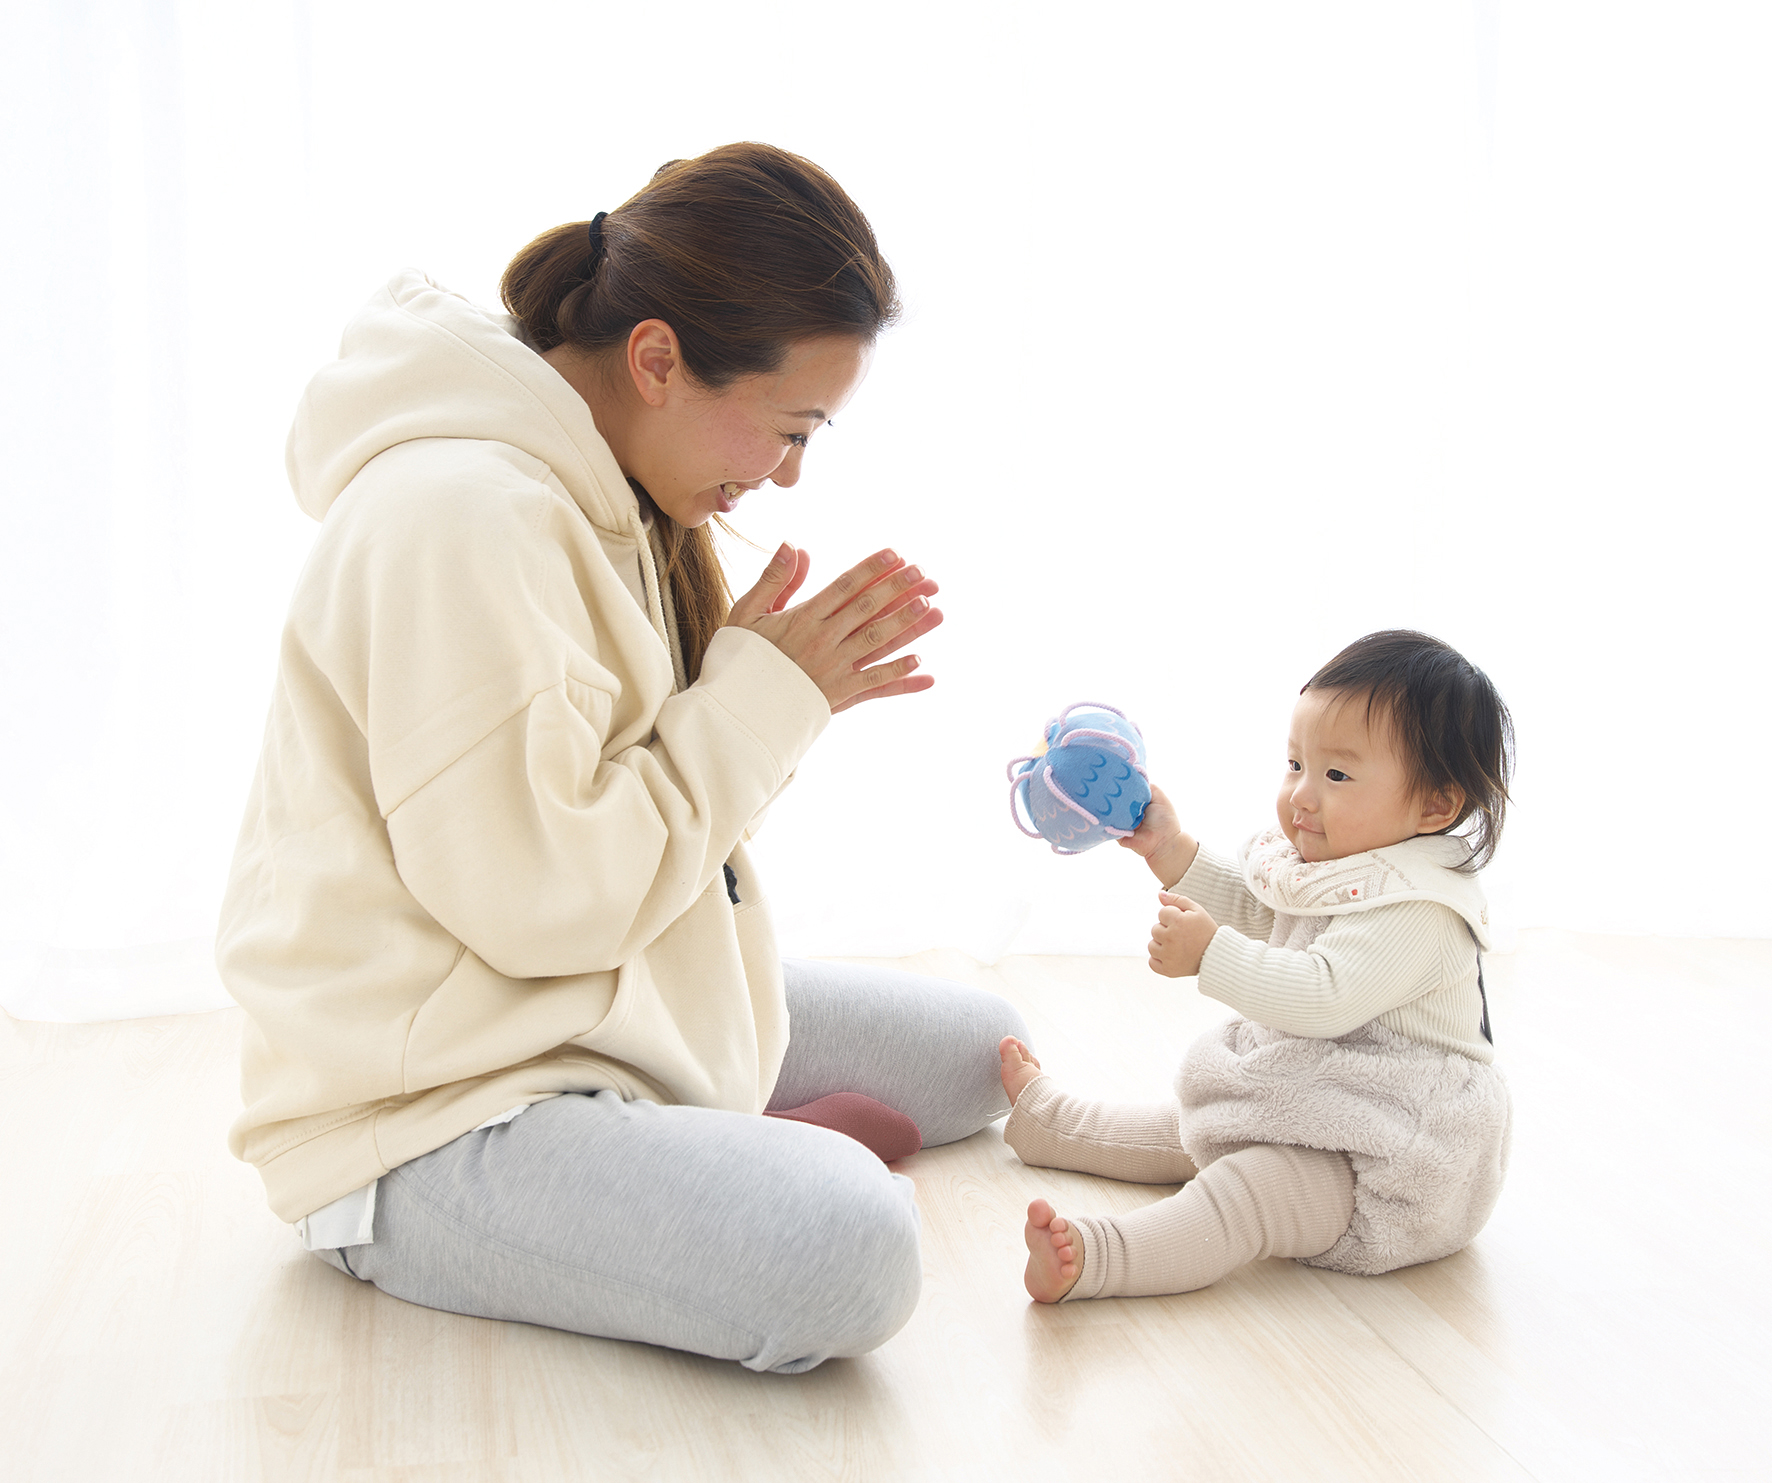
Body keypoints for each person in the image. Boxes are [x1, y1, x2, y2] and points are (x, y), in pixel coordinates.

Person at [217, 142, 1028, 1374]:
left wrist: (773, 694)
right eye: (791, 426)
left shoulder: (601, 488)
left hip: (578, 1005)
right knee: (848, 1251)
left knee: (982, 1055)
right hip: (432, 1115)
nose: (788, 473)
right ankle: (728, 1149)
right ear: (656, 359)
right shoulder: (463, 519)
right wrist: (766, 699)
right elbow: (544, 905)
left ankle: (713, 1130)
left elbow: (626, 824)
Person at [997, 630, 1514, 1302]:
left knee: (1249, 1188)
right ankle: (1052, 1121)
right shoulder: (1345, 860)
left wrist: (1210, 954)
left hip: (1390, 1154)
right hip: (1331, 1095)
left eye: (1336, 774)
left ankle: (1100, 1257)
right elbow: (1264, 904)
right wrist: (1173, 850)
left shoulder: (1419, 908)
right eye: (1296, 763)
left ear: (1435, 805)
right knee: (1194, 1122)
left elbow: (1324, 993)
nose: (1302, 793)